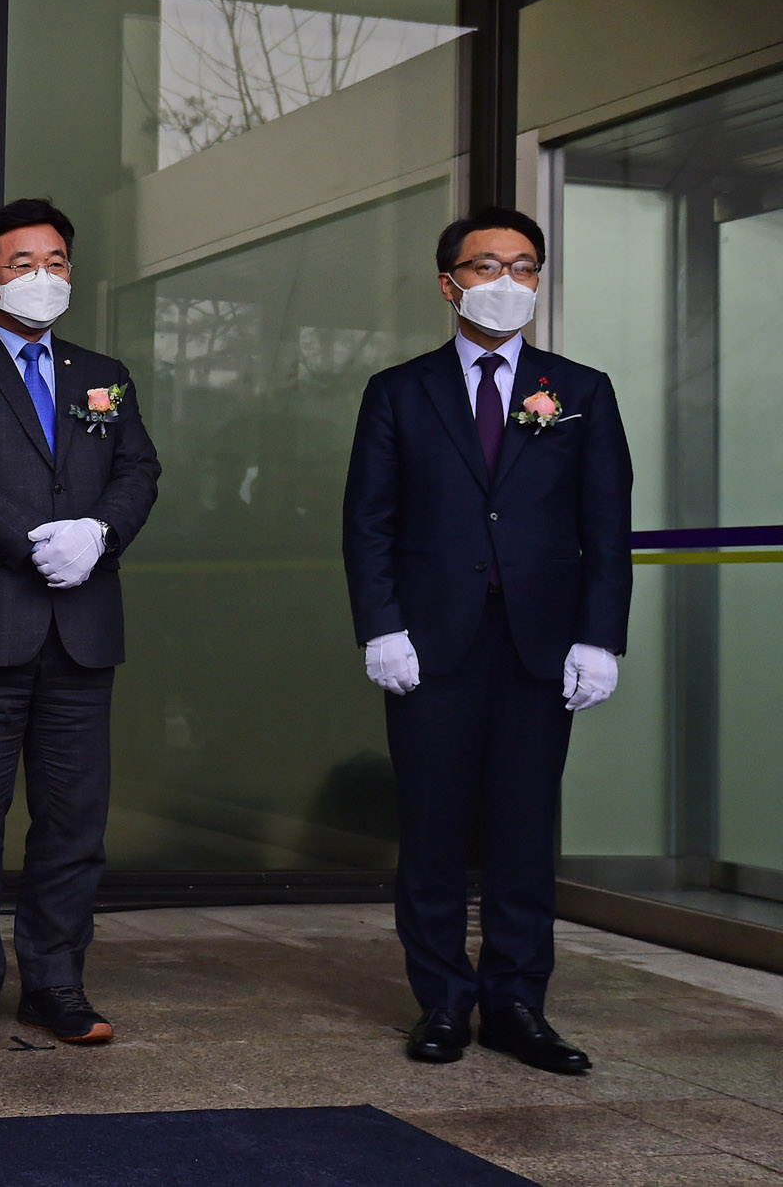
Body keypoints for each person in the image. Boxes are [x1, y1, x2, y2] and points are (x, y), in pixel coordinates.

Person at [341, 206, 631, 1075]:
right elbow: (368, 524)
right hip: (431, 646)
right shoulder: (399, 390)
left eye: (524, 267)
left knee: (523, 830)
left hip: (541, 648)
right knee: (430, 831)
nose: (507, 283)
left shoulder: (580, 390)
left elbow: (607, 528)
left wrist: (600, 637)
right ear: (449, 282)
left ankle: (515, 1002)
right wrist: (382, 627)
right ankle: (442, 1000)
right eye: (486, 266)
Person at [0, 198, 160, 1048]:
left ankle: (56, 981)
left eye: (57, 260)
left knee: (73, 821)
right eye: (23, 263)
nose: (44, 276)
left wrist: (99, 533)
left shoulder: (104, 371)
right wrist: (31, 542)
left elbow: (138, 469)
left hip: (83, 630)